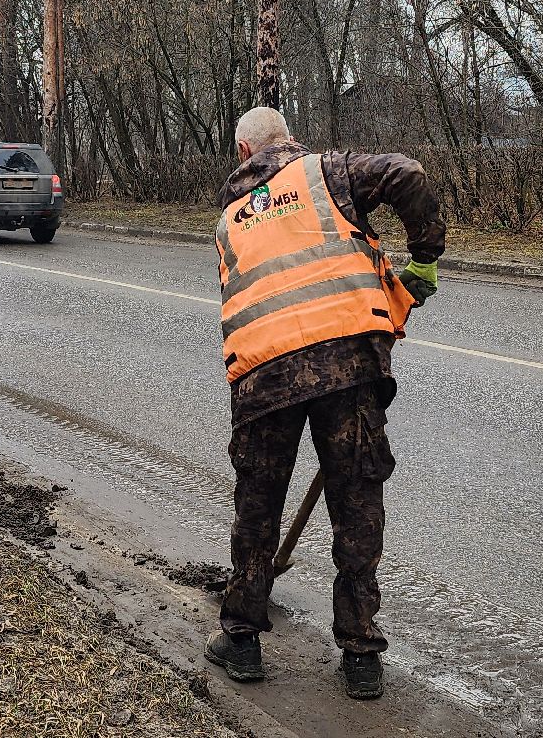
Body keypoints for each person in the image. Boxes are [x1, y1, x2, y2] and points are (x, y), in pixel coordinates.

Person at [204, 107, 444, 702]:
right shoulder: (328, 174)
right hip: (345, 368)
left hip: (263, 378)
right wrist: (425, 258)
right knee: (357, 503)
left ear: (243, 154)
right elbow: (407, 175)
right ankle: (360, 654)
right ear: (288, 141)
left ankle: (241, 641)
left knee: (257, 506)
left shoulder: (230, 219)